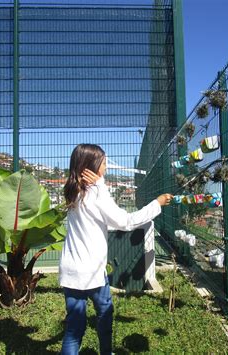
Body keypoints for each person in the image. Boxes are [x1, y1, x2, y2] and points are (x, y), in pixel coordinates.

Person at [59, 144, 173, 355]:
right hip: (91, 272)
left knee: (74, 328)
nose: (107, 166)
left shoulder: (73, 190)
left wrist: (100, 184)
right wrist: (156, 204)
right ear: (91, 167)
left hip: (70, 270)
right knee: (105, 313)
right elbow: (125, 221)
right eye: (104, 162)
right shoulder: (94, 194)